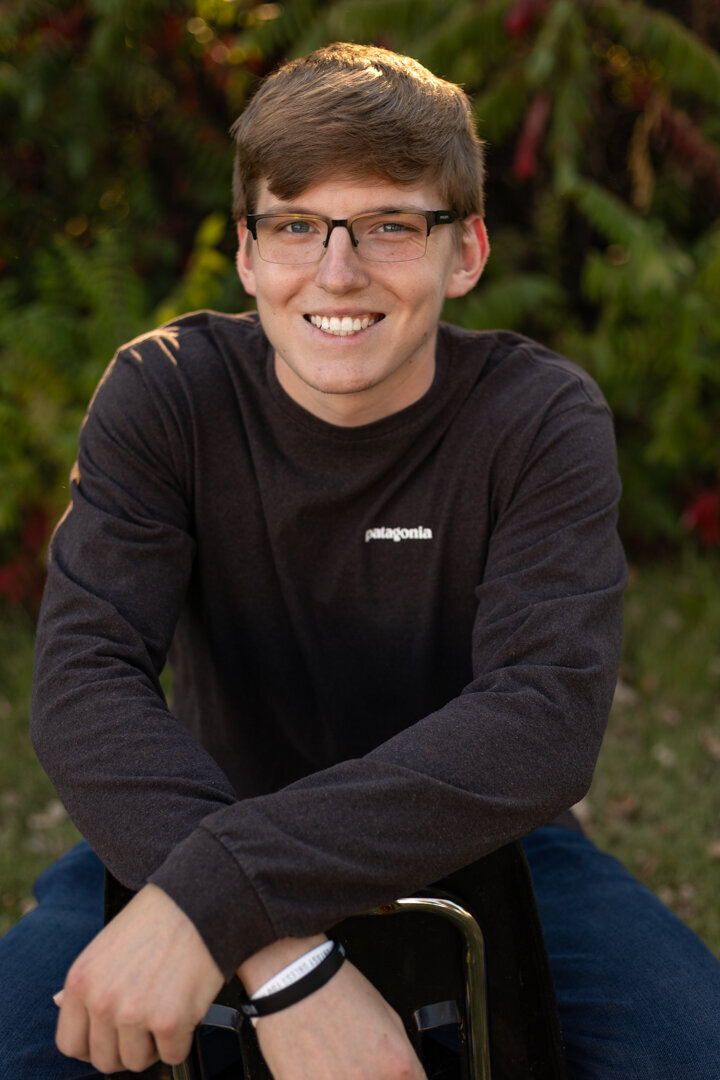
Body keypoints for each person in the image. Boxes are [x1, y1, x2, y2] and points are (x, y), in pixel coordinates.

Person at [2, 41, 719, 1080]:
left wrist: (218, 900)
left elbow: (542, 720)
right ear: (247, 254)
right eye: (296, 226)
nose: (337, 272)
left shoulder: (536, 418)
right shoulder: (164, 395)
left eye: (389, 225)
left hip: (483, 849)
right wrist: (276, 952)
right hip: (186, 825)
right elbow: (83, 682)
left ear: (463, 250)